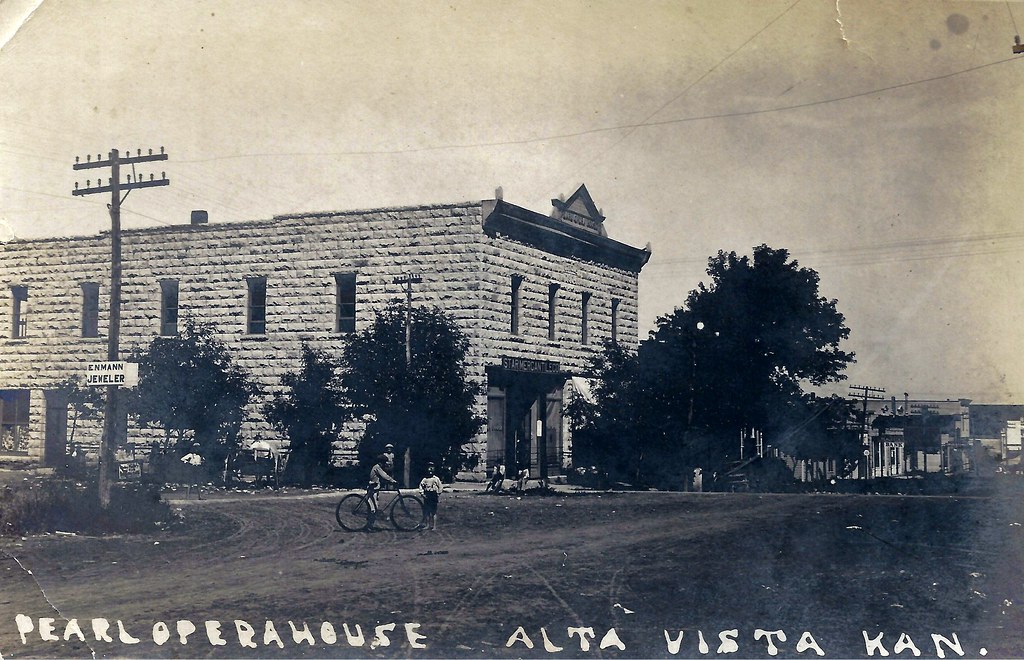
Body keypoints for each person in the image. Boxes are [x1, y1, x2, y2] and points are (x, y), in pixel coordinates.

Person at [366, 453, 398, 531]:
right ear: (381, 462)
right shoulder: (377, 467)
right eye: (384, 462)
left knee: (374, 508)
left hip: (375, 489)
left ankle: (370, 526)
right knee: (373, 509)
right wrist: (392, 481)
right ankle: (369, 527)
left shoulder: (378, 467)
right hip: (372, 490)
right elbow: (384, 475)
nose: (384, 464)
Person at [418, 462, 443, 530]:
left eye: (432, 468)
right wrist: (422, 494)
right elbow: (421, 486)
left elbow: (440, 486)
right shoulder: (425, 479)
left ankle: (434, 526)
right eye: (429, 468)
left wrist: (438, 493)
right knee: (427, 511)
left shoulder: (436, 479)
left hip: (433, 495)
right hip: (427, 494)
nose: (430, 469)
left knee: (433, 511)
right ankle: (427, 525)